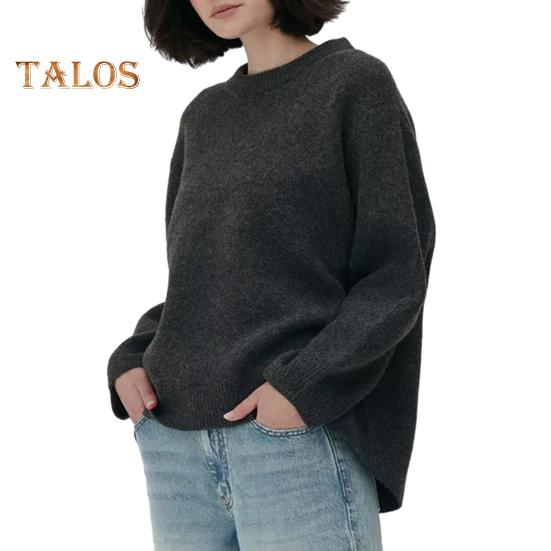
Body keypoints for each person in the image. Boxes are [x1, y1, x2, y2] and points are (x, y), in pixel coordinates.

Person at [106, 0, 436, 549]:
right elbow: (199, 280)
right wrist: (133, 357)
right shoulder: (203, 117)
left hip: (291, 440)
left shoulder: (353, 84)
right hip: (175, 450)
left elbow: (396, 272)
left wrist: (302, 389)